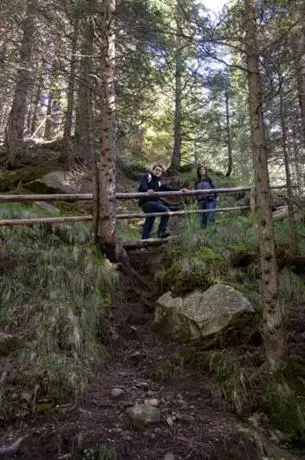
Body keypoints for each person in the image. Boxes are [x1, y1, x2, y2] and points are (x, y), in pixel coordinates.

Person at [138, 164, 186, 239]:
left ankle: (144, 239)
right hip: (146, 202)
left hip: (154, 203)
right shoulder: (147, 176)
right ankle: (161, 232)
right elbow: (142, 185)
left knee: (150, 220)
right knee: (166, 211)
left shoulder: (158, 183)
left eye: (160, 171)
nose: (158, 172)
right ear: (153, 170)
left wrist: (179, 191)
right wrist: (147, 190)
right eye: (156, 170)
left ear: (161, 173)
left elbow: (167, 190)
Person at [195, 164, 219, 230]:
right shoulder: (197, 181)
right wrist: (196, 199)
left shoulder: (209, 179)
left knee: (211, 216)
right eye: (200, 170)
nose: (202, 171)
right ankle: (203, 233)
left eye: (203, 169)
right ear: (198, 172)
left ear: (205, 170)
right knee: (202, 217)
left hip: (210, 199)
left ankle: (214, 231)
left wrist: (217, 196)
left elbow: (214, 187)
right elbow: (195, 191)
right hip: (201, 201)